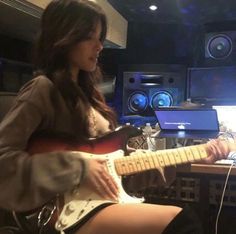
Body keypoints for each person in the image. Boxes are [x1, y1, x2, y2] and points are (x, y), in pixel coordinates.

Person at [0, 1, 230, 234]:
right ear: (65, 36)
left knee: (184, 216)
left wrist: (191, 156)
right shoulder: (42, 89)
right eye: (91, 37)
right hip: (58, 212)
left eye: (101, 38)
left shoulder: (92, 98)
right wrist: (77, 167)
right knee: (182, 221)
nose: (100, 46)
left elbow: (115, 171)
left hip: (97, 204)